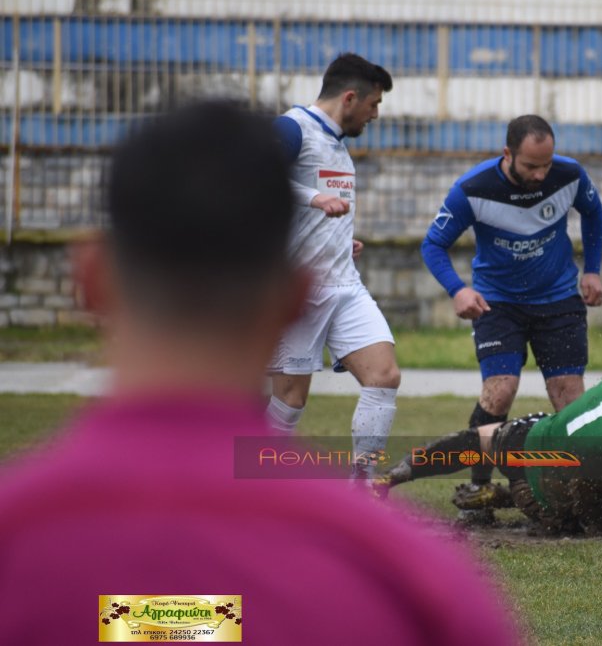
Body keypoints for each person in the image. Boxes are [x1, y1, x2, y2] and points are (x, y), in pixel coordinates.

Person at [0, 101, 519, 645]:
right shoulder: (409, 579)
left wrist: (157, 624)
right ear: (296, 297)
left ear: (90, 283)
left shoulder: (17, 537)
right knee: (290, 398)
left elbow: (161, 623)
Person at [421, 114, 602, 517]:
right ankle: (478, 491)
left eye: (546, 164)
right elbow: (433, 245)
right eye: (530, 166)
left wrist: (592, 268)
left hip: (558, 300)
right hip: (498, 304)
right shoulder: (472, 189)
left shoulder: (569, 175)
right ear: (508, 154)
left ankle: (582, 493)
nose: (541, 174)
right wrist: (458, 289)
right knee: (499, 392)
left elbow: (594, 213)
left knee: (569, 399)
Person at [267, 53, 400, 480]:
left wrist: (340, 242)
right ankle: (251, 487)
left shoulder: (339, 144)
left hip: (344, 284)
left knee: (384, 377)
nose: (375, 114)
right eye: (373, 104)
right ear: (349, 98)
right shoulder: (292, 129)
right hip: (297, 289)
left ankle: (363, 488)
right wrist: (314, 198)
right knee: (290, 399)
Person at [376, 362, 602, 536]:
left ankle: (396, 474)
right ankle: (505, 496)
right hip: (538, 492)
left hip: (531, 433)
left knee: (480, 439)